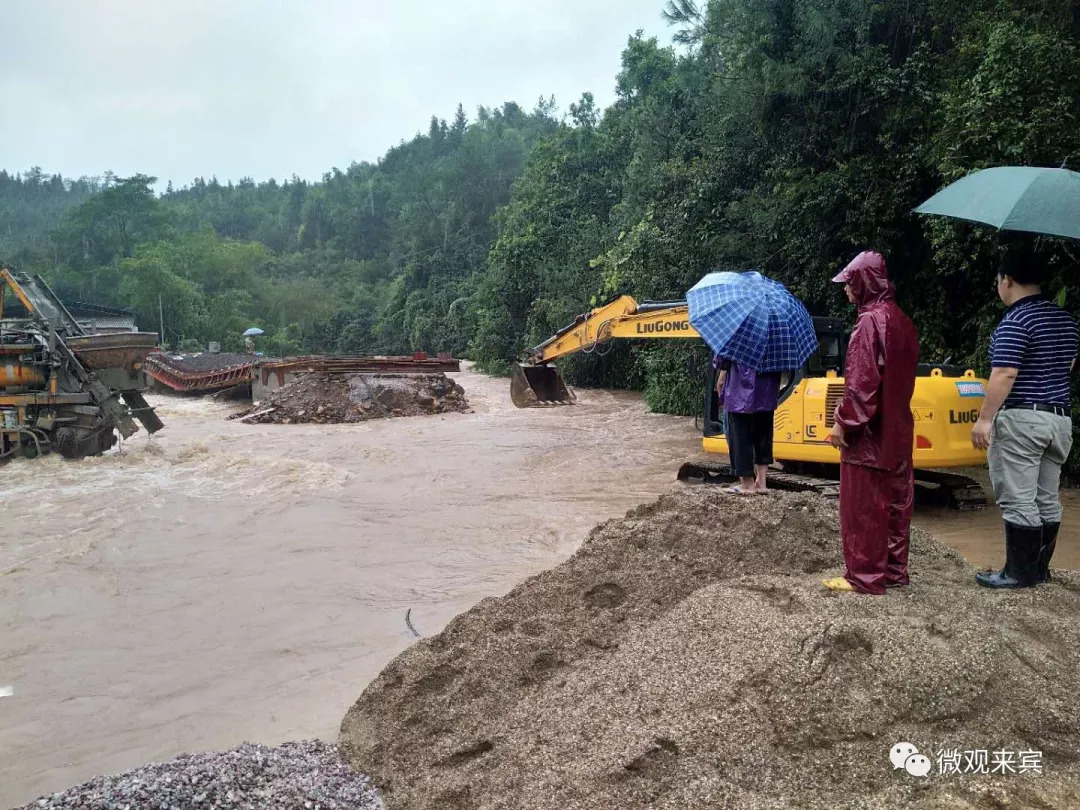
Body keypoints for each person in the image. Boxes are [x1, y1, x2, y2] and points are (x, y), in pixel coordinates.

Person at [971, 245, 1078, 588]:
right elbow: (1069, 366)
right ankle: (1039, 570)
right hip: (1059, 419)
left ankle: (1018, 572)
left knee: (1017, 496)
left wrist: (985, 419)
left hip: (1023, 419)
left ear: (1008, 280)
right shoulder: (1066, 320)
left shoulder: (1017, 319)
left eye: (998, 280)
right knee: (1046, 495)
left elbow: (1004, 373)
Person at [823, 251, 919, 594]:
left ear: (862, 282)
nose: (846, 290)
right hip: (898, 431)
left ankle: (863, 576)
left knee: (863, 507)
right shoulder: (903, 321)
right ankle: (894, 572)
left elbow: (862, 385)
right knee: (896, 504)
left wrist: (842, 424)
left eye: (849, 283)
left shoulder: (868, 323)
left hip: (869, 436)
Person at [714, 354, 780, 494]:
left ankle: (747, 484)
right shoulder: (776, 337)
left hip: (739, 395)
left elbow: (720, 361)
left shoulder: (737, 335)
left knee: (740, 439)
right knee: (764, 437)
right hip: (767, 394)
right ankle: (761, 483)